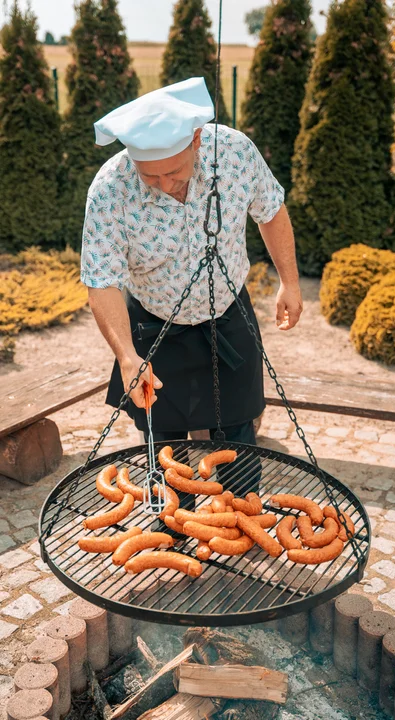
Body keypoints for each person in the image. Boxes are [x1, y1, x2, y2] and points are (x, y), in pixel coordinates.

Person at [81, 77, 303, 491]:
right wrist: (127, 356)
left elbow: (271, 210)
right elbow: (101, 281)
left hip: (229, 314)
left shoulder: (234, 153)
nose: (165, 185)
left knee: (238, 429)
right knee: (163, 440)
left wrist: (289, 282)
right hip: (154, 321)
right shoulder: (110, 190)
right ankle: (171, 531)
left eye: (174, 172)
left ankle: (240, 514)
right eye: (151, 177)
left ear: (198, 139)